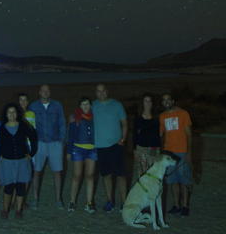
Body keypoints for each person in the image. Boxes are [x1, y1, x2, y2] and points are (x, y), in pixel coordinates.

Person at [91, 83, 128, 213]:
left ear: (107, 91)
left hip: (116, 145)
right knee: (106, 174)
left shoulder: (117, 105)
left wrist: (122, 140)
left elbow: (124, 123)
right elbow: (81, 114)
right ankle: (109, 201)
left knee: (121, 174)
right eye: (98, 91)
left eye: (103, 91)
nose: (101, 93)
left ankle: (124, 202)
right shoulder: (93, 105)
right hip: (101, 146)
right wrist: (72, 117)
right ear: (96, 93)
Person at [28, 85, 66, 209]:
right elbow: (30, 124)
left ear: (50, 92)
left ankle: (58, 199)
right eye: (43, 90)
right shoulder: (33, 106)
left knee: (57, 172)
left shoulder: (57, 105)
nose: (45, 92)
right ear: (39, 92)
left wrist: (61, 141)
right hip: (39, 143)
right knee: (36, 171)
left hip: (54, 142)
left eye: (48, 90)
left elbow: (62, 123)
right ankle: (35, 199)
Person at [0, 102, 38, 220]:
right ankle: (6, 210)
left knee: (21, 186)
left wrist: (31, 153)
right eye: (9, 112)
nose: (12, 114)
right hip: (8, 162)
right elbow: (0, 145)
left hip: (22, 161)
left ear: (17, 113)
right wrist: (0, 157)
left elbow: (33, 138)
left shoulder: (23, 125)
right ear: (6, 114)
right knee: (8, 187)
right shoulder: (2, 127)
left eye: (14, 112)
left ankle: (18, 210)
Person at [160, 93, 192, 217]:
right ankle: (176, 205)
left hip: (182, 151)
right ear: (162, 103)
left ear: (173, 101)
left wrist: (189, 152)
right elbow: (160, 133)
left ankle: (185, 205)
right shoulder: (162, 116)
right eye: (164, 100)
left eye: (169, 99)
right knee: (172, 180)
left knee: (184, 180)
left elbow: (189, 134)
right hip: (169, 152)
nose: (166, 102)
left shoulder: (183, 113)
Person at [66, 96, 97, 213]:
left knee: (90, 175)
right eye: (83, 104)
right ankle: (72, 201)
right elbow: (70, 135)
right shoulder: (75, 118)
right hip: (78, 149)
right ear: (80, 106)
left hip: (92, 149)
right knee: (77, 175)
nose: (86, 106)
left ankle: (89, 203)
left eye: (87, 104)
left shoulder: (95, 117)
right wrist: (69, 152)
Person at [133, 93, 161, 178]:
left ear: (152, 103)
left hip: (153, 149)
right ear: (142, 103)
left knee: (153, 174)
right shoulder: (138, 118)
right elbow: (135, 134)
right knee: (142, 174)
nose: (148, 103)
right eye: (146, 101)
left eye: (149, 101)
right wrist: (134, 150)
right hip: (141, 149)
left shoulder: (157, 117)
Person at [17, 92, 35, 204]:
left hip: (29, 147)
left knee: (27, 174)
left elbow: (34, 131)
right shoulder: (15, 114)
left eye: (25, 100)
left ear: (28, 102)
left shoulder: (32, 114)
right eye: (21, 100)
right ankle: (15, 199)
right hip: (20, 147)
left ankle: (23, 199)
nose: (23, 102)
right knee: (18, 174)